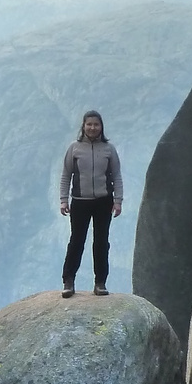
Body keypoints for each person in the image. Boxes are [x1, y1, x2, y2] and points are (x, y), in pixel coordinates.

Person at [59, 110, 122, 298]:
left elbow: (117, 175)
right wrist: (63, 200)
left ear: (101, 127)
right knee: (77, 241)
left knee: (101, 242)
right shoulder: (74, 148)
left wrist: (118, 200)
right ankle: (68, 281)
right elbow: (66, 175)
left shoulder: (108, 149)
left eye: (96, 124)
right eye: (89, 124)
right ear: (83, 126)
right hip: (80, 201)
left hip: (104, 201)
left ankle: (100, 283)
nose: (93, 128)